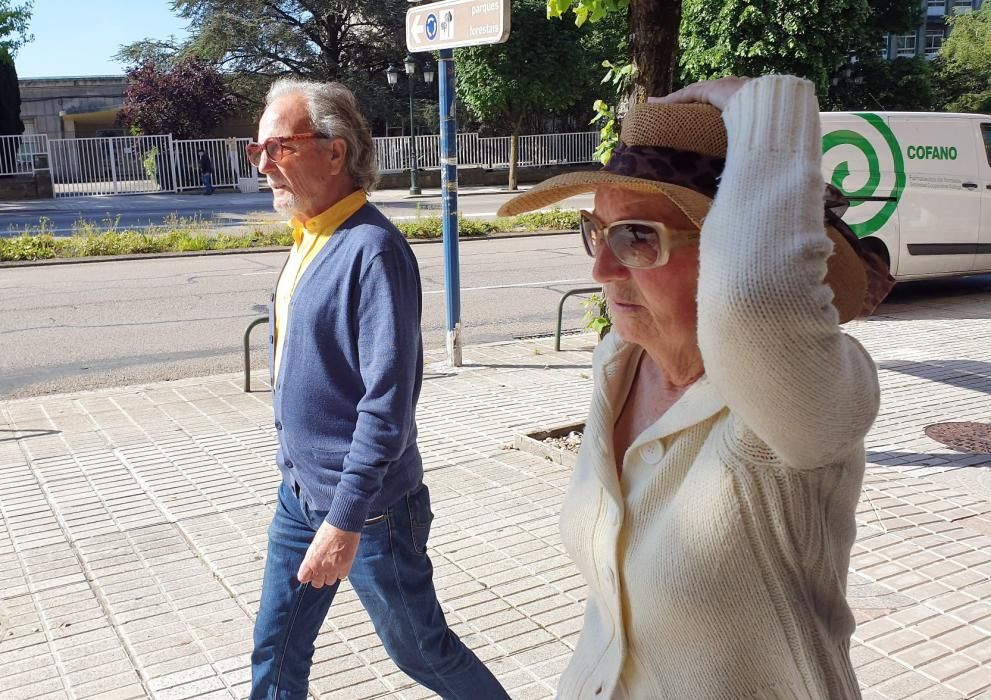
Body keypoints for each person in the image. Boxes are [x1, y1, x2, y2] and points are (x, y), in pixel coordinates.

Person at [498, 75, 893, 699]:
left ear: (727, 249)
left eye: (635, 236)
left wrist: (763, 102)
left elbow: (756, 302)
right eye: (596, 231)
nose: (600, 267)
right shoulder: (620, 363)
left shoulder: (799, 402)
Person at [246, 79, 508, 700]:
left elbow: (387, 404)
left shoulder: (374, 251)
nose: (263, 164)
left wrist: (345, 519)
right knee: (276, 649)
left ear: (334, 153)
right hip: (300, 496)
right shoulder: (311, 236)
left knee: (422, 652)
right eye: (256, 150)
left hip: (369, 511)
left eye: (279, 147)